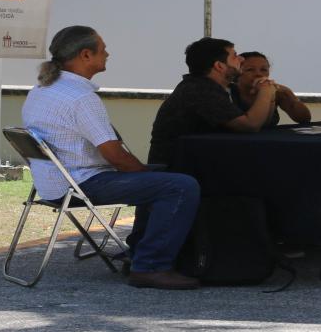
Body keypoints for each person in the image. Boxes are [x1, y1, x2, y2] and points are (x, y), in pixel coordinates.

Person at [22, 25, 201, 289]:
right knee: (180, 185)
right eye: (102, 49)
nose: (108, 54)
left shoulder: (41, 90)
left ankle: (140, 251)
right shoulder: (80, 98)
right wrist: (148, 174)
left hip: (52, 184)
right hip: (81, 183)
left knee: (161, 176)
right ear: (85, 55)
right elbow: (116, 157)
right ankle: (150, 266)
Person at [148, 37, 278, 165]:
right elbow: (250, 125)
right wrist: (265, 90)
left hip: (203, 162)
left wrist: (270, 94)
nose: (241, 59)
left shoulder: (215, 88)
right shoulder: (199, 90)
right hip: (176, 170)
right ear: (219, 66)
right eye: (235, 56)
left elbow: (263, 125)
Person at [232, 51, 312, 126]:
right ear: (237, 72)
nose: (258, 74)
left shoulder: (276, 92)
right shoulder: (227, 92)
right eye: (250, 70)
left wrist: (288, 92)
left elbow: (304, 119)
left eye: (264, 70)